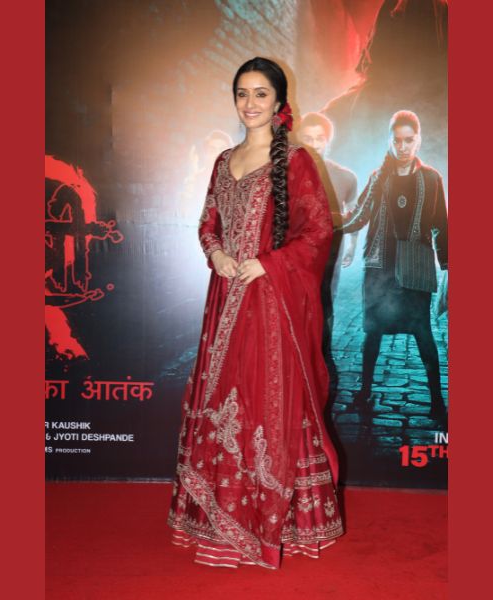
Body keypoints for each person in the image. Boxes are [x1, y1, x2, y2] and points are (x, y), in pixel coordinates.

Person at [167, 57, 344, 569]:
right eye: (242, 93)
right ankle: (218, 518)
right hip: (224, 301)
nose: (250, 103)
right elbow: (208, 223)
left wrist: (268, 264)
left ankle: (276, 523)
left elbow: (318, 231)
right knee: (221, 396)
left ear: (279, 102)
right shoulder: (224, 160)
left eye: (260, 93)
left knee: (267, 402)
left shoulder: (296, 161)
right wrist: (217, 253)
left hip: (270, 304)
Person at [341, 110, 448, 422]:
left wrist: (448, 267)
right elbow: (359, 216)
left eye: (408, 140)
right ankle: (364, 393)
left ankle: (437, 402)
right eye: (398, 141)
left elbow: (441, 225)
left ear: (418, 140)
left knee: (423, 333)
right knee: (372, 333)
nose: (403, 147)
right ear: (390, 141)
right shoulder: (379, 177)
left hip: (415, 268)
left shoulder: (431, 178)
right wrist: (322, 220)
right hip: (380, 268)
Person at [297, 112, 358, 362]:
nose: (314, 144)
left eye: (319, 138)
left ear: (328, 140)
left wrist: (351, 246)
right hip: (294, 252)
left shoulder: (344, 177)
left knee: (325, 301)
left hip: (329, 252)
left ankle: (321, 356)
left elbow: (353, 214)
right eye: (308, 138)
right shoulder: (285, 175)